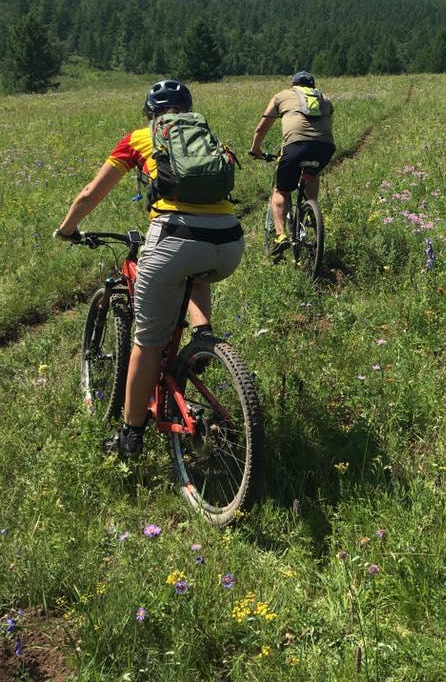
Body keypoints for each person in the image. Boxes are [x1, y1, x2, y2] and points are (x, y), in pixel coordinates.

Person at [54, 80, 244, 456]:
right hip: (229, 242)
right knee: (196, 273)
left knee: (147, 343)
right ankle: (202, 340)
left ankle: (130, 435)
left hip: (174, 236)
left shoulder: (139, 138)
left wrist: (67, 229)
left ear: (150, 112)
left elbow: (92, 193)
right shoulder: (208, 138)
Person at [249, 70, 334, 255]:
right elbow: (328, 125)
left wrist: (256, 149)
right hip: (325, 147)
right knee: (312, 173)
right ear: (313, 86)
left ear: (293, 85)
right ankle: (311, 211)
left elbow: (262, 127)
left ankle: (281, 236)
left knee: (281, 191)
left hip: (296, 145)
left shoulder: (282, 96)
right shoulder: (325, 100)